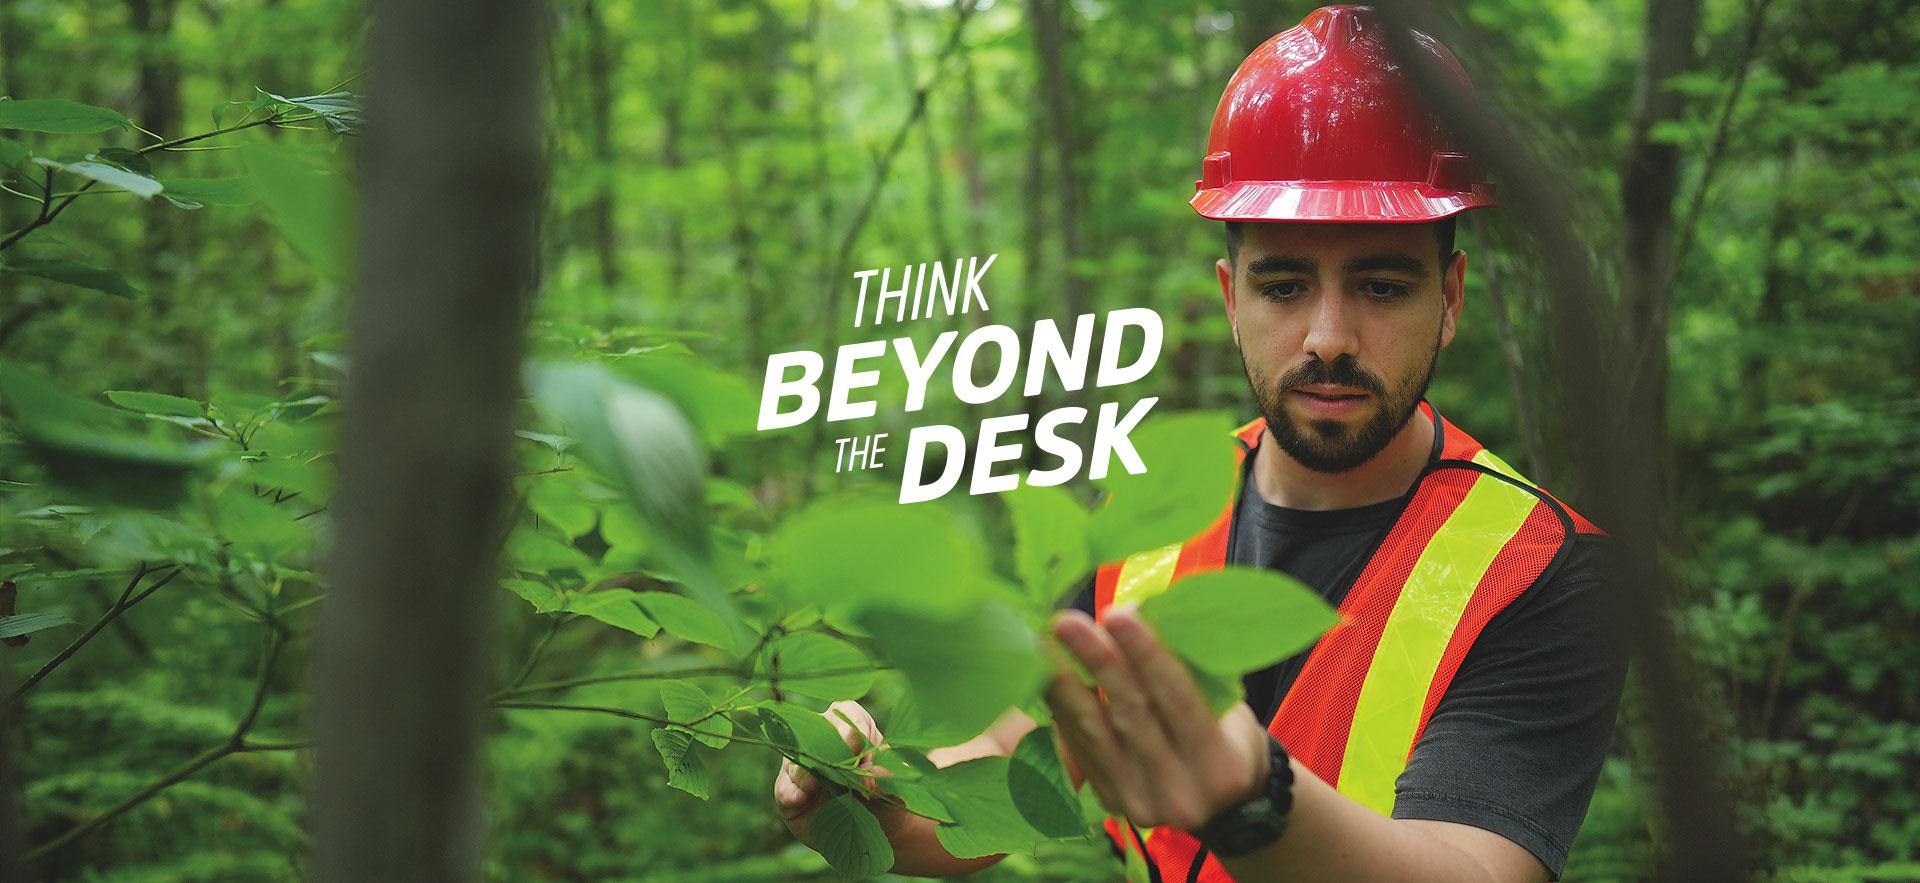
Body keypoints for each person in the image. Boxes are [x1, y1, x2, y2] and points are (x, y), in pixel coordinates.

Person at [773, 6, 1626, 881]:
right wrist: (877, 791)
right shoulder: (1156, 504)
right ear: (1230, 297)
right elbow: (1019, 761)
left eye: (1380, 283)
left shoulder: (1541, 568)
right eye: (1285, 284)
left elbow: (1480, 871)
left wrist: (1256, 799)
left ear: (1449, 298)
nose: (1329, 335)